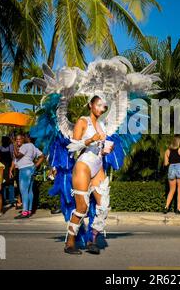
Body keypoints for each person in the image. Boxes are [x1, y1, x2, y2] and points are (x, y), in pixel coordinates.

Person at [64, 95, 113, 255]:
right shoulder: (82, 121)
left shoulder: (101, 125)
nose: (101, 109)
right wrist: (91, 139)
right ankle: (69, 243)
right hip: (84, 165)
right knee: (82, 207)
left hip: (98, 164)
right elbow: (72, 147)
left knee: (104, 205)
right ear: (91, 105)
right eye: (98, 105)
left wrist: (106, 150)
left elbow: (100, 147)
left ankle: (92, 240)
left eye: (103, 106)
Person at [10, 134, 45, 219]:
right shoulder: (33, 147)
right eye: (17, 139)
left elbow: (17, 155)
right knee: (29, 191)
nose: (18, 141)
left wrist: (14, 144)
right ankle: (29, 211)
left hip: (24, 170)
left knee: (24, 191)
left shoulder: (25, 146)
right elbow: (42, 156)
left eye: (21, 138)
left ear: (26, 138)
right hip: (31, 169)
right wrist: (35, 166)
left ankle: (24, 212)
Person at [163, 135, 180, 214]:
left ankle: (166, 207)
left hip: (171, 169)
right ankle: (178, 209)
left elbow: (166, 163)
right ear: (179, 142)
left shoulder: (167, 151)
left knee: (171, 190)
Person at [0, 136, 14, 206]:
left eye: (4, 140)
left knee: (10, 184)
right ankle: (3, 200)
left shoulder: (11, 146)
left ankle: (11, 200)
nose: (3, 141)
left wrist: (12, 168)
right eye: (2, 140)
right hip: (2, 167)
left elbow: (13, 157)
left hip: (9, 167)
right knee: (3, 183)